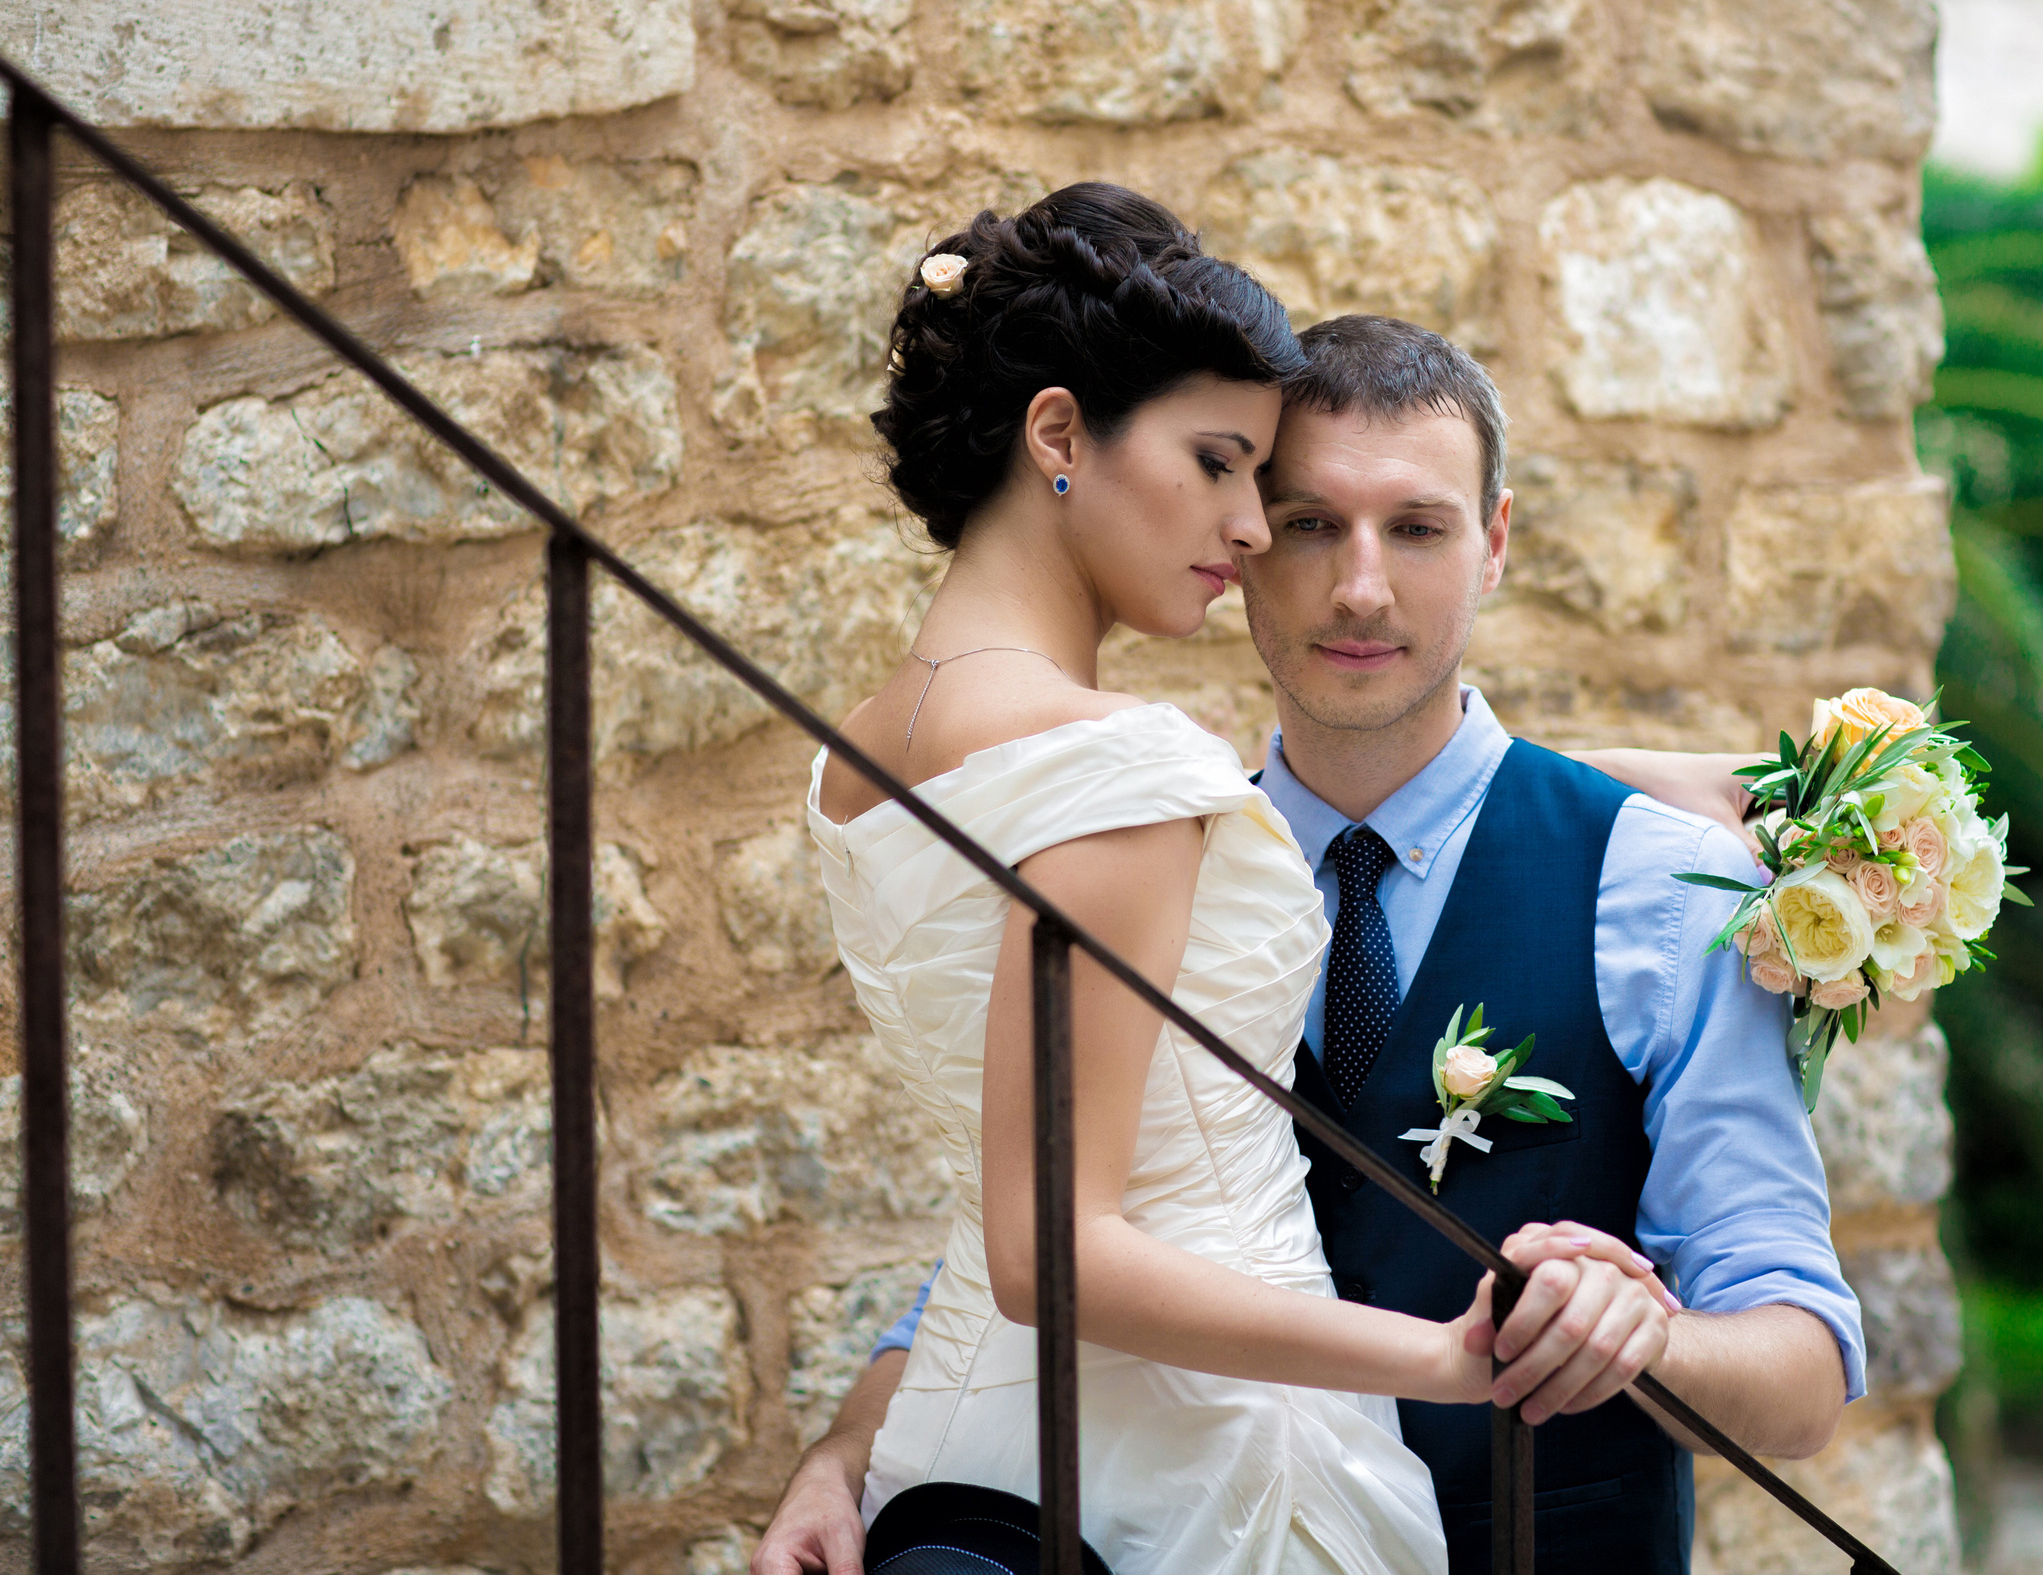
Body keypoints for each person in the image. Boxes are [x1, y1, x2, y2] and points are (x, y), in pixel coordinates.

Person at [765, 298, 1865, 1575]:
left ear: (1494, 544)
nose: (1359, 585)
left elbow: (1802, 1374)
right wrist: (845, 1454)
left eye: (1416, 529)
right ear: (1239, 546)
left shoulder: (1665, 885)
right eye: (1306, 526)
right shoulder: (1144, 844)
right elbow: (1020, 1236)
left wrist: (1636, 1337)